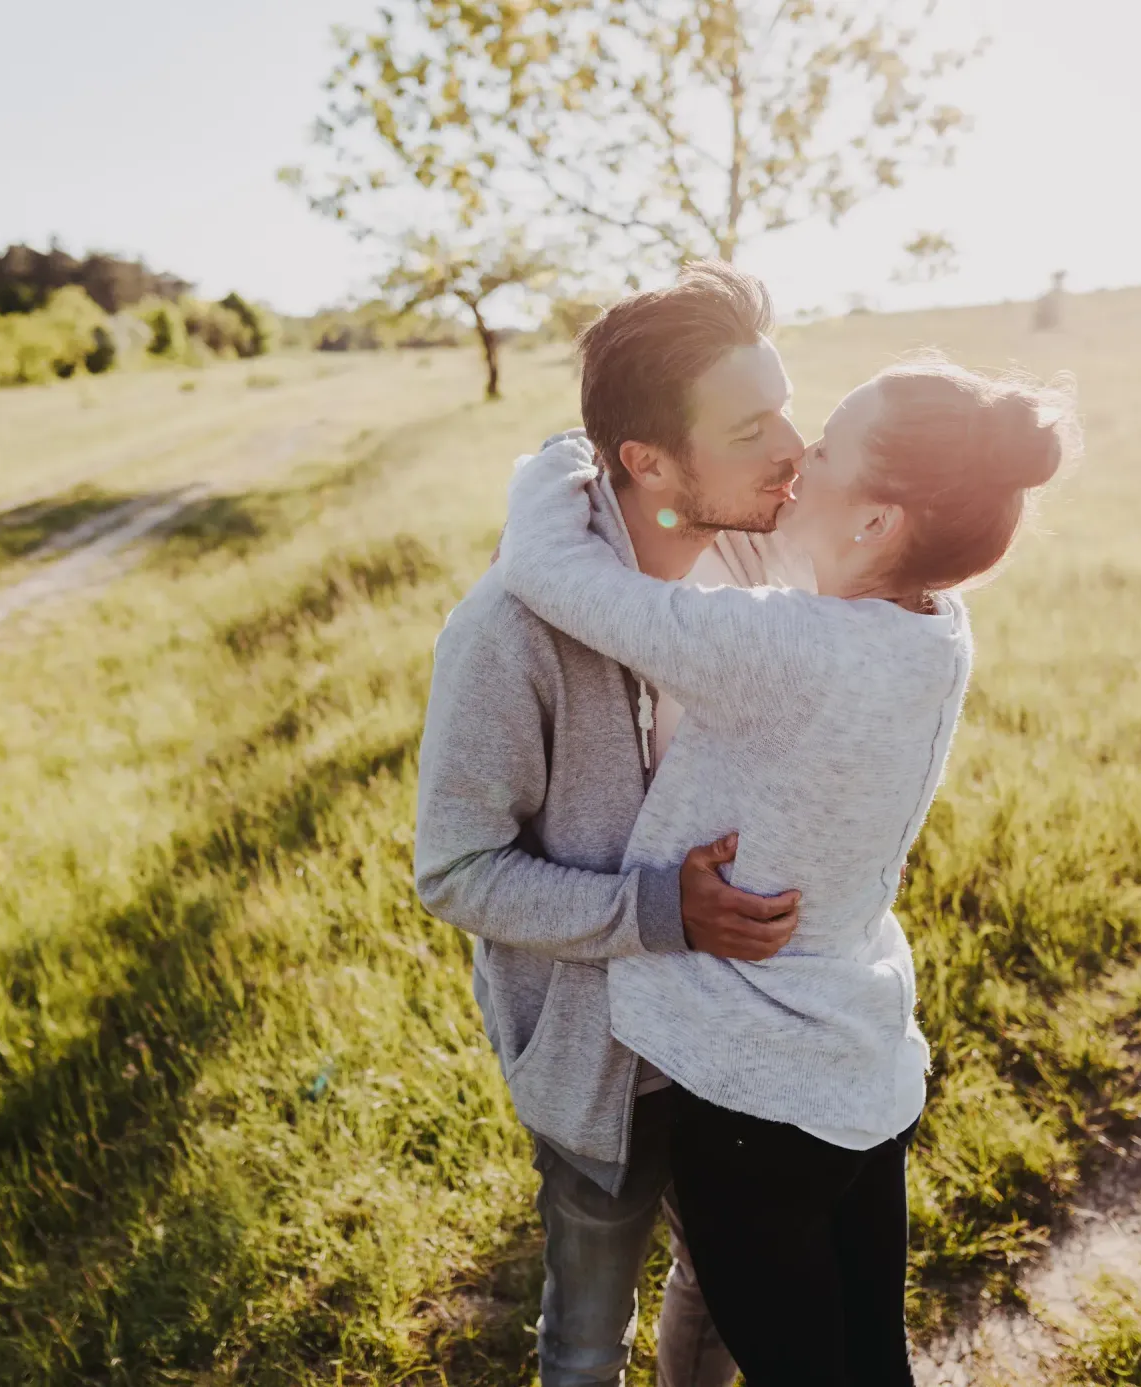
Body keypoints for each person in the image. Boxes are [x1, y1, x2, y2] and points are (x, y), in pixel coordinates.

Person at [495, 355, 1076, 1387]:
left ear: (876, 523)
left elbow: (559, 579)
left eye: (828, 448)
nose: (798, 458)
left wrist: (562, 460)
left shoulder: (787, 648)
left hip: (754, 1102)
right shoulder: (936, 631)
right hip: (863, 1069)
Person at [413, 262, 808, 1386]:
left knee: (728, 1290)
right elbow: (456, 871)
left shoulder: (760, 557)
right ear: (650, 463)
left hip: (737, 1036)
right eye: (751, 428)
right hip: (603, 1061)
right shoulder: (507, 635)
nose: (794, 445)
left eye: (785, 403)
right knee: (587, 1330)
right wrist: (656, 910)